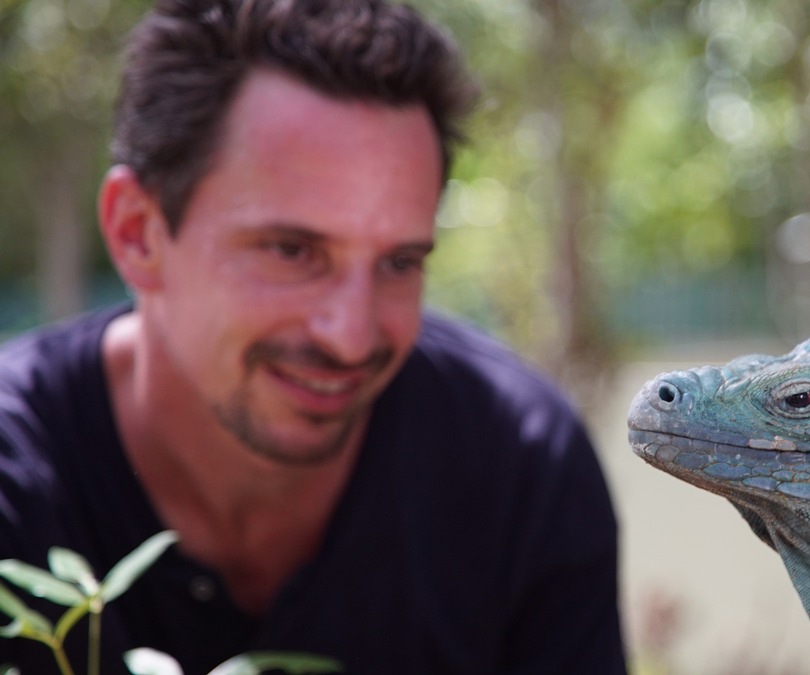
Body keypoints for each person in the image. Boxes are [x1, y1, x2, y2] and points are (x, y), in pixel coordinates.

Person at [0, 0, 627, 672]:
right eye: (292, 250)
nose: (351, 336)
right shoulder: (17, 482)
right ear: (138, 232)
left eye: (399, 262)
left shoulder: (520, 467)